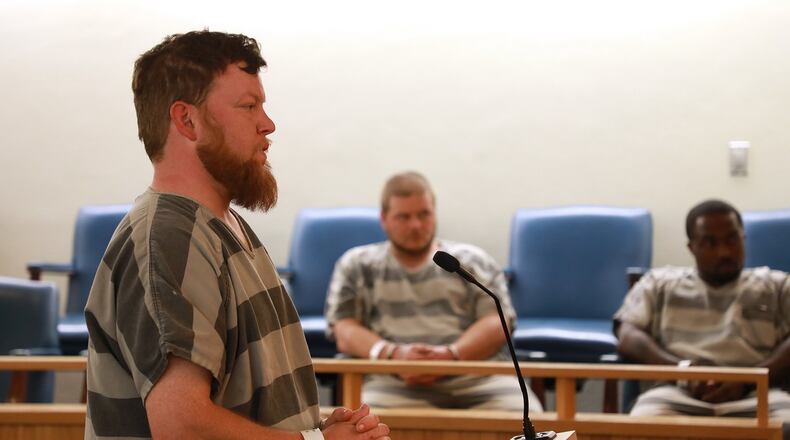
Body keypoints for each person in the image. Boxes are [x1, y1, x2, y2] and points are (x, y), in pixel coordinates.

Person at [83, 30, 390, 440]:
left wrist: (314, 426)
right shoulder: (168, 238)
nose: (268, 124)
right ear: (186, 120)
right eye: (249, 106)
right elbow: (182, 427)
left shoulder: (221, 224)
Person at [324, 171, 542, 411]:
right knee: (370, 423)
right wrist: (395, 355)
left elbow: (498, 321)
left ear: (435, 213)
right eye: (403, 217)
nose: (415, 225)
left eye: (423, 214)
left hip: (480, 378)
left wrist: (451, 356)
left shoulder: (472, 261)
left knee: (530, 416)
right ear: (384, 219)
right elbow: (344, 329)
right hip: (392, 383)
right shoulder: (357, 265)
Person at [615, 199, 790, 437]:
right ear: (691, 247)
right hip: (674, 394)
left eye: (732, 239)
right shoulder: (659, 284)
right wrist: (683, 372)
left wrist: (749, 380)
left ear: (744, 239)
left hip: (761, 395)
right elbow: (628, 335)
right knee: (641, 427)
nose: (724, 251)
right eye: (710, 242)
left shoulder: (776, 286)